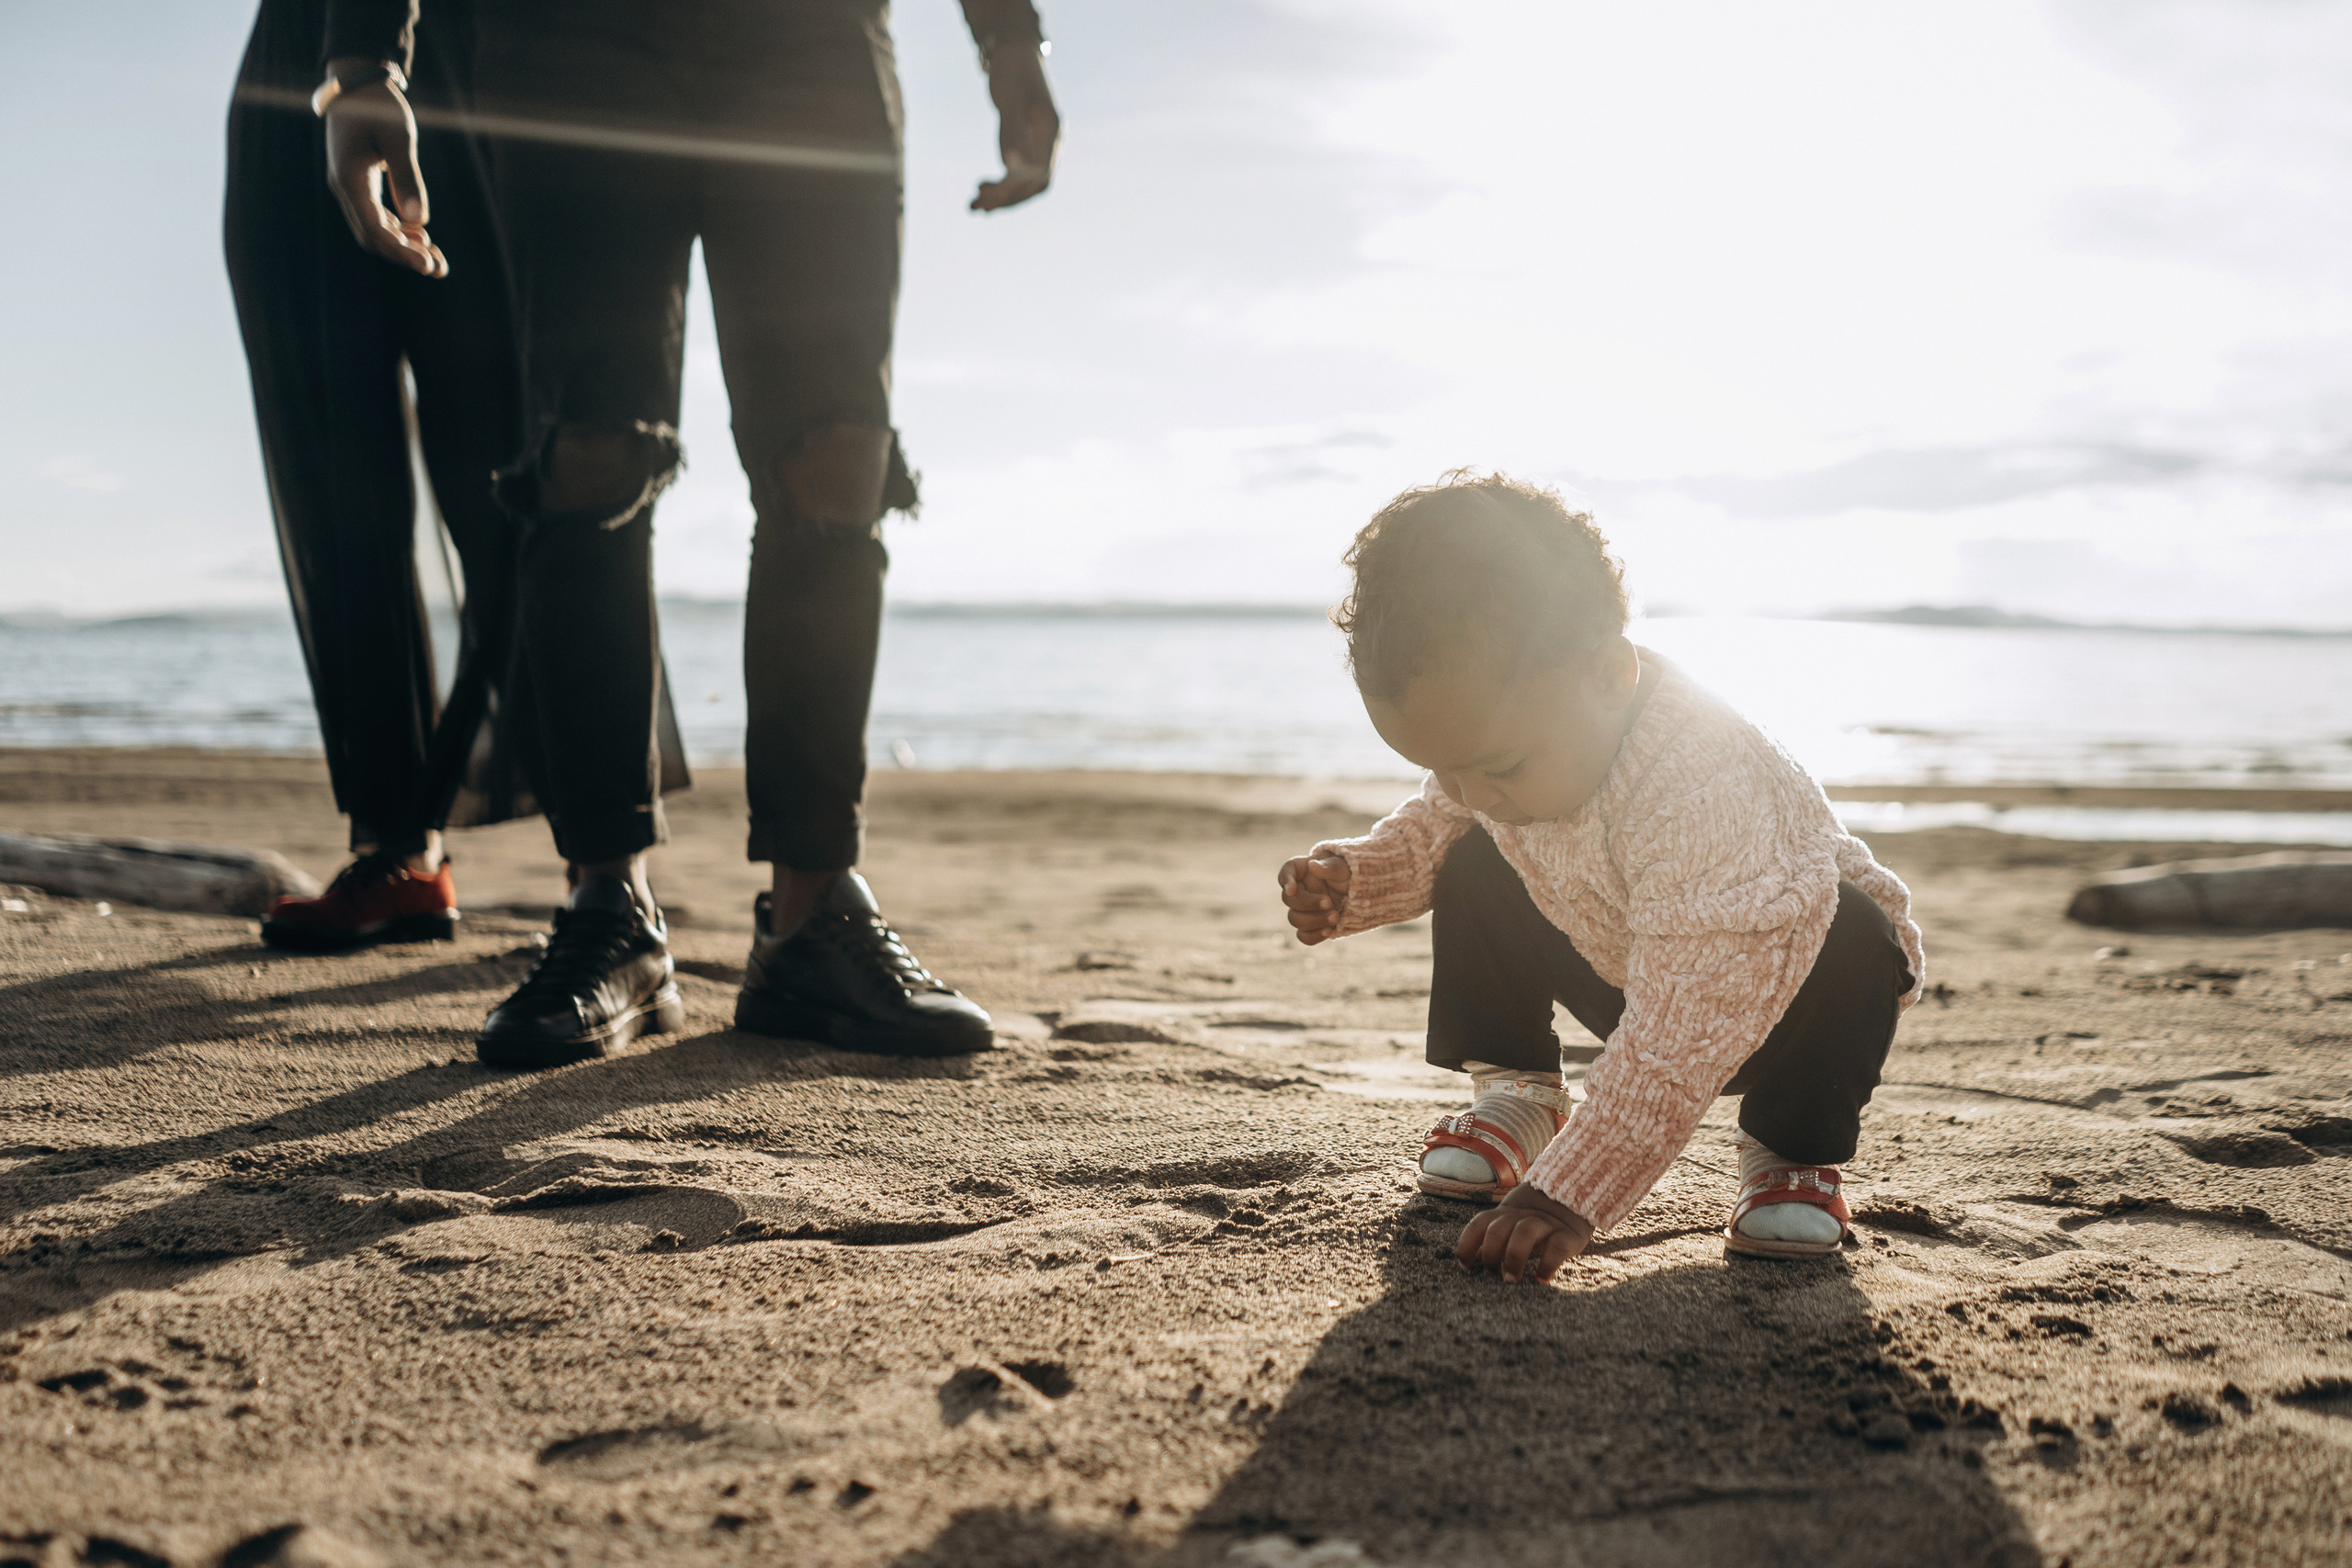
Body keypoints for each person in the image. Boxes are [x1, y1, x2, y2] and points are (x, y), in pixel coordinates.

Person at [313, 0, 1059, 1066]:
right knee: (586, 455)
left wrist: (1009, 36)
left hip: (814, 42)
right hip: (570, 47)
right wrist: (362, 59)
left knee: (837, 458)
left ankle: (813, 911)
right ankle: (607, 908)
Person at [1278, 473, 1927, 1280]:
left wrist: (1567, 1194)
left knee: (1856, 932)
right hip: (1631, 962)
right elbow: (1436, 824)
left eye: (1499, 764)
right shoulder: (1511, 761)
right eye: (1445, 766)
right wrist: (1358, 880)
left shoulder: (1702, 779)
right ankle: (1519, 1092)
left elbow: (1682, 1025)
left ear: (1609, 676)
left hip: (1784, 992)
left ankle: (1788, 1157)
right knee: (1475, 852)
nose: (1471, 789)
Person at [225, 0, 688, 954]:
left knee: (522, 464)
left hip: (485, 59)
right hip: (292, 75)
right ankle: (398, 848)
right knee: (335, 489)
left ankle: (604, 867)